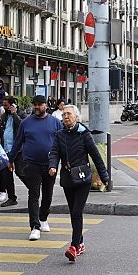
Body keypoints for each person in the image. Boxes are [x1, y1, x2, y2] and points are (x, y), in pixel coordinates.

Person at [49, 105, 109, 261]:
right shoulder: (59, 134)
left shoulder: (84, 134)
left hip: (83, 178)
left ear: (76, 117)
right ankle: (80, 242)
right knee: (73, 212)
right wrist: (53, 166)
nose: (66, 117)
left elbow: (96, 156)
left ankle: (74, 246)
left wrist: (104, 176)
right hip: (68, 178)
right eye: (63, 115)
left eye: (68, 114)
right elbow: (55, 152)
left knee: (77, 212)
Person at [7, 94, 63, 241]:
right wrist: (10, 159)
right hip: (31, 164)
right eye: (35, 104)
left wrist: (67, 161)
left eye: (40, 104)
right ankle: (35, 226)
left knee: (48, 194)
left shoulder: (56, 123)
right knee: (33, 195)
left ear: (46, 105)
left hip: (50, 164)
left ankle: (43, 218)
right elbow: (18, 142)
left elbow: (63, 143)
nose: (37, 107)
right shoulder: (26, 123)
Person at [0, 95, 22, 207]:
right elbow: (2, 130)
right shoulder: (4, 116)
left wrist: (14, 113)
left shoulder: (20, 114)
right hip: (6, 149)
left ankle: (34, 188)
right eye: (3, 105)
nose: (5, 107)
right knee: (6, 174)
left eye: (6, 105)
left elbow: (21, 125)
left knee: (21, 172)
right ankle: (12, 197)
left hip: (18, 149)